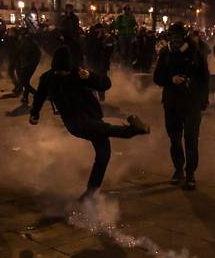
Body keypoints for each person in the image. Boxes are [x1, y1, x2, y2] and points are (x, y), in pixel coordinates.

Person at [29, 46, 150, 201]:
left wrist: (90, 77)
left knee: (104, 154)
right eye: (58, 71)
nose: (61, 74)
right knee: (105, 130)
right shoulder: (48, 78)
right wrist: (34, 113)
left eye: (64, 71)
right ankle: (135, 130)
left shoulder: (79, 74)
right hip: (74, 121)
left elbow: (105, 84)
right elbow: (39, 96)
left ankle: (92, 191)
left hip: (92, 116)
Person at [153, 22, 209, 190]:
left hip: (191, 102)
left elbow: (204, 79)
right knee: (175, 139)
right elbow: (157, 78)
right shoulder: (165, 54)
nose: (174, 40)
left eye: (177, 37)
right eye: (171, 37)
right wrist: (171, 79)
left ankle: (190, 172)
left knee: (191, 139)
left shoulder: (195, 53)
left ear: (183, 36)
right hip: (171, 103)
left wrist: (204, 100)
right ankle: (178, 169)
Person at [17, 30, 41, 104]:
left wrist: (28, 64)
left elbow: (32, 55)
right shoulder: (26, 42)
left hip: (28, 66)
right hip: (27, 65)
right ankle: (25, 97)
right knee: (25, 81)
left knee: (23, 82)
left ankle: (38, 95)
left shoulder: (28, 43)